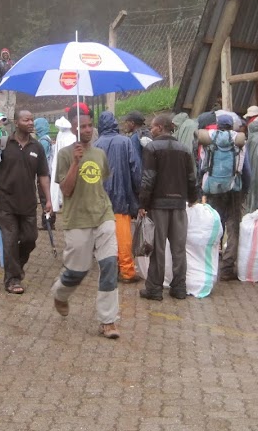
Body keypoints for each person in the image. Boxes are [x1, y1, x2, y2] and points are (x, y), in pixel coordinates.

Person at [50, 113, 121, 339]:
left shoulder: (100, 153)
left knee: (110, 265)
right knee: (77, 272)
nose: (88, 129)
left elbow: (101, 184)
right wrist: (75, 163)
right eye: (83, 126)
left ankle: (108, 321)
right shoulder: (64, 154)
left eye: (90, 125)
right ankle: (60, 294)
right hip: (77, 220)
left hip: (103, 215)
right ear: (74, 128)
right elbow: (67, 190)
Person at [0, 109, 52, 294]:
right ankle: (12, 279)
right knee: (10, 240)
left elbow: (43, 175)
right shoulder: (3, 144)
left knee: (30, 239)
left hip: (28, 203)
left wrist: (48, 199)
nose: (31, 122)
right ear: (17, 123)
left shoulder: (37, 147)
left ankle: (16, 266)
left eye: (32, 119)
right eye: (26, 120)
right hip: (5, 202)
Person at [138, 113, 199, 300]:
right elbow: (192, 177)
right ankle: (179, 287)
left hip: (158, 205)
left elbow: (148, 178)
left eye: (153, 126)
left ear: (161, 127)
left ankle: (154, 289)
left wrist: (143, 203)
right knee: (179, 248)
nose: (151, 129)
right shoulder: (184, 149)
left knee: (158, 248)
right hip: (179, 205)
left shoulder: (151, 148)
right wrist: (193, 197)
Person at [94, 111, 142, 284]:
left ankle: (110, 271)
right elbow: (136, 170)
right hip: (122, 196)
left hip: (101, 199)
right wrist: (139, 193)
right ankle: (127, 272)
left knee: (105, 237)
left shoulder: (96, 144)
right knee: (123, 236)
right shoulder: (126, 142)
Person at [203, 114, 244, 282]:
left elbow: (203, 165)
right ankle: (227, 268)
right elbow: (244, 168)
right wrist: (244, 187)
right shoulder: (238, 141)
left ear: (218, 125)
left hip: (214, 188)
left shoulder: (210, 140)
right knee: (233, 227)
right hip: (234, 188)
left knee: (214, 225)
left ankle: (211, 264)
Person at [0, 48, 16, 120]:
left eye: (6, 53)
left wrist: (16, 85)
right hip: (2, 84)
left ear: (8, 54)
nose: (5, 55)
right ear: (2, 55)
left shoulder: (12, 63)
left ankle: (11, 118)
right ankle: (4, 119)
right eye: (4, 54)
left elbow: (15, 74)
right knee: (3, 103)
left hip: (12, 84)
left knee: (11, 102)